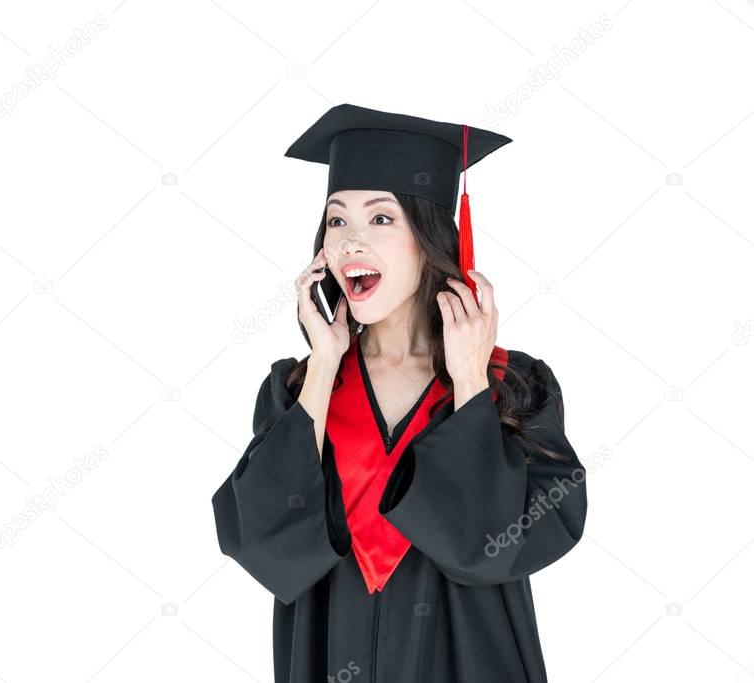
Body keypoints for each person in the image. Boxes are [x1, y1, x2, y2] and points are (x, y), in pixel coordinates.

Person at [211, 104, 587, 682]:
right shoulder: (297, 389)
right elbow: (260, 541)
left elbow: (497, 547)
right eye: (337, 221)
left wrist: (469, 384)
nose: (351, 241)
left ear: (430, 237)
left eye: (381, 219)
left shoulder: (514, 385)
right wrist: (323, 361)